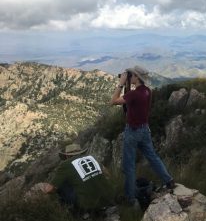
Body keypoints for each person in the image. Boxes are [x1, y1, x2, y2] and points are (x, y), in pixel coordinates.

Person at [111, 65, 175, 206]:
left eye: (131, 75)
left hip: (133, 131)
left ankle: (130, 198)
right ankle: (169, 180)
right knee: (153, 157)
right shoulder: (147, 91)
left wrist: (121, 84)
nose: (130, 77)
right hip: (145, 129)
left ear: (136, 77)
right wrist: (128, 85)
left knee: (129, 165)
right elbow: (134, 107)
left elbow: (113, 101)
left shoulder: (134, 94)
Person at [38, 143, 114, 213]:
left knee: (62, 186)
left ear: (67, 156)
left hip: (88, 205)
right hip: (108, 198)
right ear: (81, 152)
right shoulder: (92, 158)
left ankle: (75, 212)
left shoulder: (66, 164)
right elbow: (108, 175)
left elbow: (50, 189)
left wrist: (42, 190)